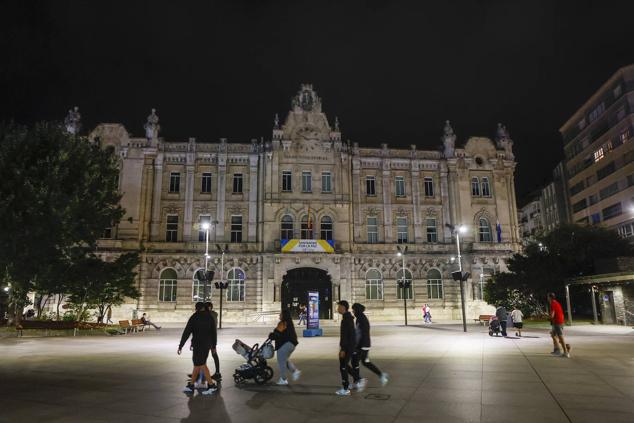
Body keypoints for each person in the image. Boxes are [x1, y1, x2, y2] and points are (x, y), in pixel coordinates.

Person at [178, 302, 218, 395]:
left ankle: (212, 385)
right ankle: (191, 385)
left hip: (198, 345)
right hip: (206, 345)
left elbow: (186, 332)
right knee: (197, 364)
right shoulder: (210, 317)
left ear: (197, 308)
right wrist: (214, 346)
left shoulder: (194, 317)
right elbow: (214, 333)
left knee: (201, 364)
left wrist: (181, 345)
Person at [348, 303, 388, 392]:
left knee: (354, 362)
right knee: (365, 362)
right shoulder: (362, 317)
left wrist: (355, 345)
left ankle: (358, 381)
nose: (353, 311)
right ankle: (381, 375)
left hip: (362, 345)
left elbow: (359, 334)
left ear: (357, 310)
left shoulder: (360, 319)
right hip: (365, 344)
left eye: (353, 309)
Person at [269, 309, 301, 385]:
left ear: (284, 315)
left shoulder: (283, 323)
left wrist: (271, 336)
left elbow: (276, 333)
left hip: (287, 344)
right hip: (292, 344)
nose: (279, 316)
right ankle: (295, 371)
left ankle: (283, 379)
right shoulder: (289, 322)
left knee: (281, 362)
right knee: (284, 360)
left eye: (280, 314)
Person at [336, 300, 357, 396]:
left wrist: (343, 349)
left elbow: (346, 335)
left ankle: (345, 388)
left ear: (343, 307)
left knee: (343, 367)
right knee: (344, 365)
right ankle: (358, 379)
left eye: (339, 307)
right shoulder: (347, 317)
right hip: (349, 346)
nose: (337, 309)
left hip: (347, 346)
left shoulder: (346, 319)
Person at [548, 293, 571, 358]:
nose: (548, 299)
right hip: (559, 321)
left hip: (557, 322)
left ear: (550, 298)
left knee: (560, 337)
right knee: (553, 335)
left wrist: (548, 317)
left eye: (548, 297)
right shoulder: (557, 303)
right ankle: (557, 350)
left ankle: (566, 352)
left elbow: (552, 315)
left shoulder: (553, 304)